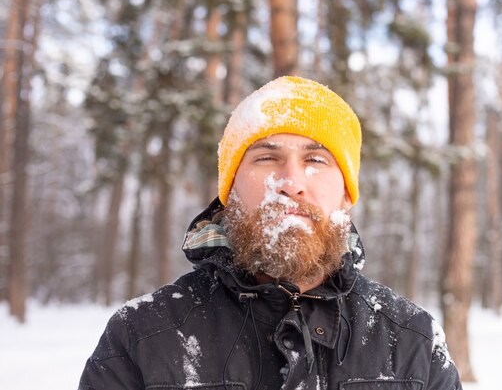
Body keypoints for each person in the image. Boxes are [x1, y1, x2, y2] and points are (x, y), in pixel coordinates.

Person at [79, 76, 462, 390]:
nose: (291, 181)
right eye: (266, 158)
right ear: (229, 191)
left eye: (315, 160)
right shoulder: (142, 336)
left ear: (346, 194)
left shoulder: (414, 343)